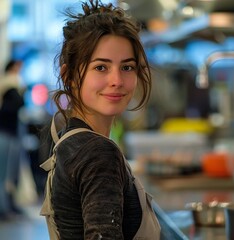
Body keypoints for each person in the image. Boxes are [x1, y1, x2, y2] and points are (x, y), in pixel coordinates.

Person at [39, 0, 160, 239]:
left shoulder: (70, 139)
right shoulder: (97, 153)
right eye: (101, 68)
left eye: (127, 67)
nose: (116, 80)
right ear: (70, 75)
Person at [0, 59, 25, 220]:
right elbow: (15, 105)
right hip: (5, 132)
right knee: (3, 174)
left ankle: (8, 205)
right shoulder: (9, 84)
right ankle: (3, 208)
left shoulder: (15, 84)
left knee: (11, 174)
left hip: (12, 132)